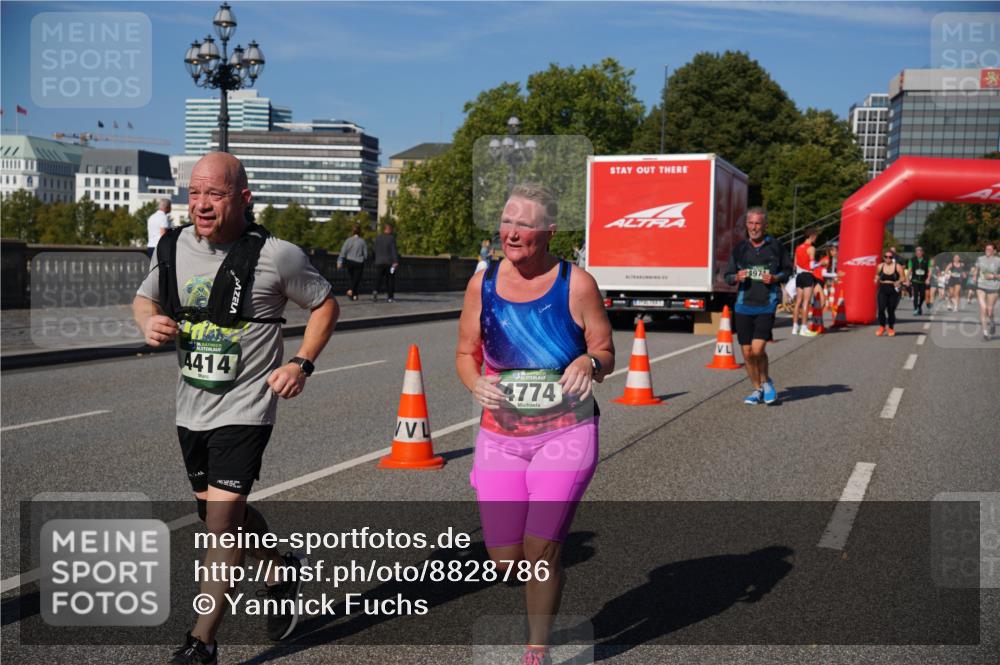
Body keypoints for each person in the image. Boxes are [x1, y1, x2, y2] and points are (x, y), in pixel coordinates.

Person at [132, 152, 339, 664]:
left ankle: (201, 641)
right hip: (191, 407)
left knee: (222, 523)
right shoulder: (171, 246)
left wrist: (301, 363)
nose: (201, 204)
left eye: (215, 194)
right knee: (219, 514)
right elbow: (144, 298)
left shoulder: (278, 256)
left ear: (243, 198)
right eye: (194, 193)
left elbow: (325, 304)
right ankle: (280, 569)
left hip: (247, 407)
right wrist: (148, 321)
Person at [456, 183, 614, 665]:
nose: (511, 232)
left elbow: (605, 351)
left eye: (524, 224)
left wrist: (588, 362)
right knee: (507, 562)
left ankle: (536, 648)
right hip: (500, 437)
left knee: (541, 550)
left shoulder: (576, 283)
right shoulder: (482, 284)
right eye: (507, 221)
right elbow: (465, 353)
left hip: (566, 434)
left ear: (549, 231)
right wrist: (475, 383)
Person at [723, 207, 792, 405]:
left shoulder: (776, 247)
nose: (754, 228)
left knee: (757, 349)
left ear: (765, 225)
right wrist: (736, 277)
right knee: (746, 353)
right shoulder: (740, 249)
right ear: (746, 225)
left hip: (766, 304)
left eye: (758, 224)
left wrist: (775, 278)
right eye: (751, 223)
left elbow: (788, 270)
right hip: (743, 305)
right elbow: (727, 276)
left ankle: (767, 381)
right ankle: (757, 389)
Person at [791, 228, 819, 337]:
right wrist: (820, 264)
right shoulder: (811, 248)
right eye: (815, 237)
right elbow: (812, 266)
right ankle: (803, 328)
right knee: (806, 302)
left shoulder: (798, 248)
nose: (816, 239)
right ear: (812, 236)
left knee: (798, 302)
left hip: (799, 276)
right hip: (807, 275)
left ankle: (795, 328)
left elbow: (795, 264)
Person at [873, 250, 904, 336]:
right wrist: (876, 279)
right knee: (881, 309)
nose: (888, 258)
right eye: (886, 257)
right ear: (883, 258)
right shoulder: (880, 266)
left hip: (893, 289)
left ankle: (891, 328)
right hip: (883, 288)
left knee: (891, 310)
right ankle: (882, 326)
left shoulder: (897, 266)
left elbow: (903, 278)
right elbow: (877, 275)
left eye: (890, 257)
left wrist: (898, 281)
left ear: (892, 258)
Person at [974, 242, 1000, 340]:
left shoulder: (998, 261)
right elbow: (976, 269)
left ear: (994, 251)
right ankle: (985, 332)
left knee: (989, 311)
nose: (987, 251)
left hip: (993, 287)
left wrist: (993, 276)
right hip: (981, 286)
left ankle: (992, 322)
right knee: (983, 308)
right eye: (986, 249)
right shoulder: (980, 259)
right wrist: (974, 275)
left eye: (989, 249)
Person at [337, 223, 368, 300]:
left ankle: (354, 295)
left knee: (351, 278)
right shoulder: (362, 241)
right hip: (359, 262)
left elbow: (343, 252)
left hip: (349, 261)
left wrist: (339, 261)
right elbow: (365, 254)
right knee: (356, 278)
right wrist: (364, 259)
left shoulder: (348, 240)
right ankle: (351, 291)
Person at [372, 223, 400, 302]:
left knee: (378, 278)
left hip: (379, 262)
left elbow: (374, 250)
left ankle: (375, 290)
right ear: (388, 229)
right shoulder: (391, 238)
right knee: (390, 280)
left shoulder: (378, 238)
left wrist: (375, 259)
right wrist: (395, 261)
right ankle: (390, 297)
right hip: (389, 263)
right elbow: (393, 250)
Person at [907, 246, 930, 315]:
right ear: (915, 253)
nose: (918, 253)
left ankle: (919, 306)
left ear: (922, 252)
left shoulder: (927, 260)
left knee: (923, 295)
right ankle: (915, 309)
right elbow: (909, 270)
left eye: (920, 252)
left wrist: (928, 279)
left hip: (923, 280)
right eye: (917, 252)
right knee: (916, 295)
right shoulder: (912, 260)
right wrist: (907, 279)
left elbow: (930, 270)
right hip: (915, 280)